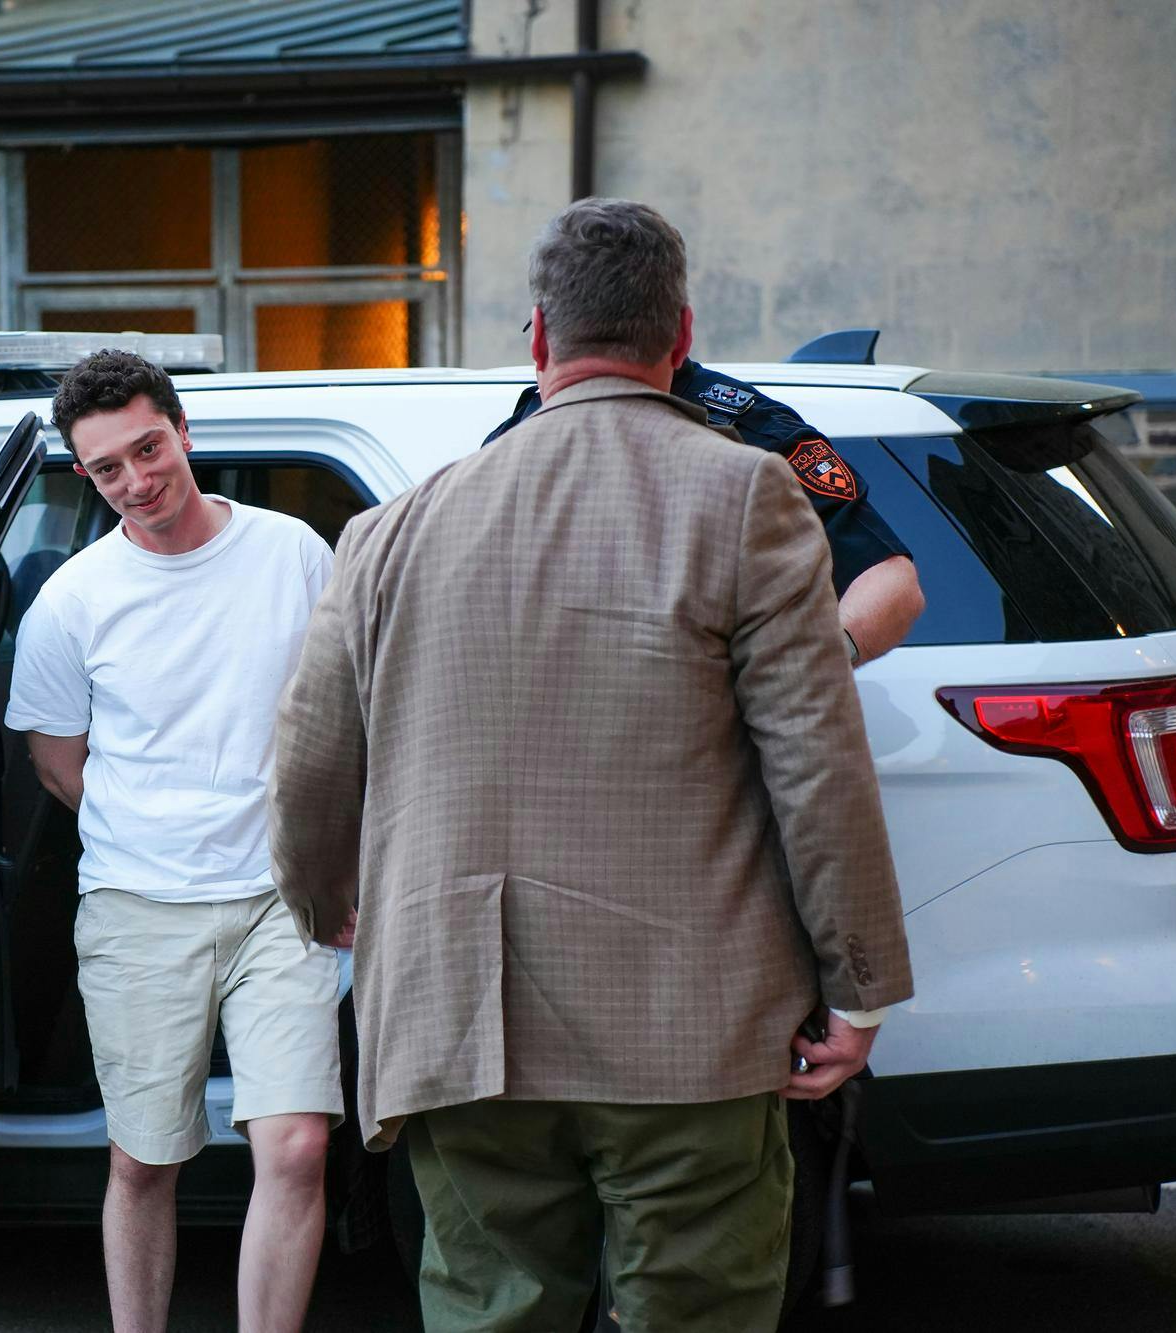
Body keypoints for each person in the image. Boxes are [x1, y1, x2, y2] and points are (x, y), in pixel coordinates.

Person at [270, 199, 914, 1333]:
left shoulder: (389, 530)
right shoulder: (747, 493)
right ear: (679, 335)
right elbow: (816, 765)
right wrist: (857, 987)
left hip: (458, 1025)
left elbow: (310, 762)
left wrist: (328, 904)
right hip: (692, 1029)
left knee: (489, 1311)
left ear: (536, 339)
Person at [5, 349, 344, 1333]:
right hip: (136, 905)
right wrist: (153, 828)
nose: (135, 480)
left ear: (183, 432)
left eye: (147, 449)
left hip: (281, 900)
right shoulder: (73, 598)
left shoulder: (291, 554)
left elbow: (340, 716)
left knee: (293, 1149)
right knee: (142, 1156)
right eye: (107, 468)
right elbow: (57, 762)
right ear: (87, 476)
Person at [484, 345, 926, 664]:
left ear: (676, 331)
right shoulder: (519, 430)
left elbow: (890, 583)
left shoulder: (751, 433)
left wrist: (809, 675)